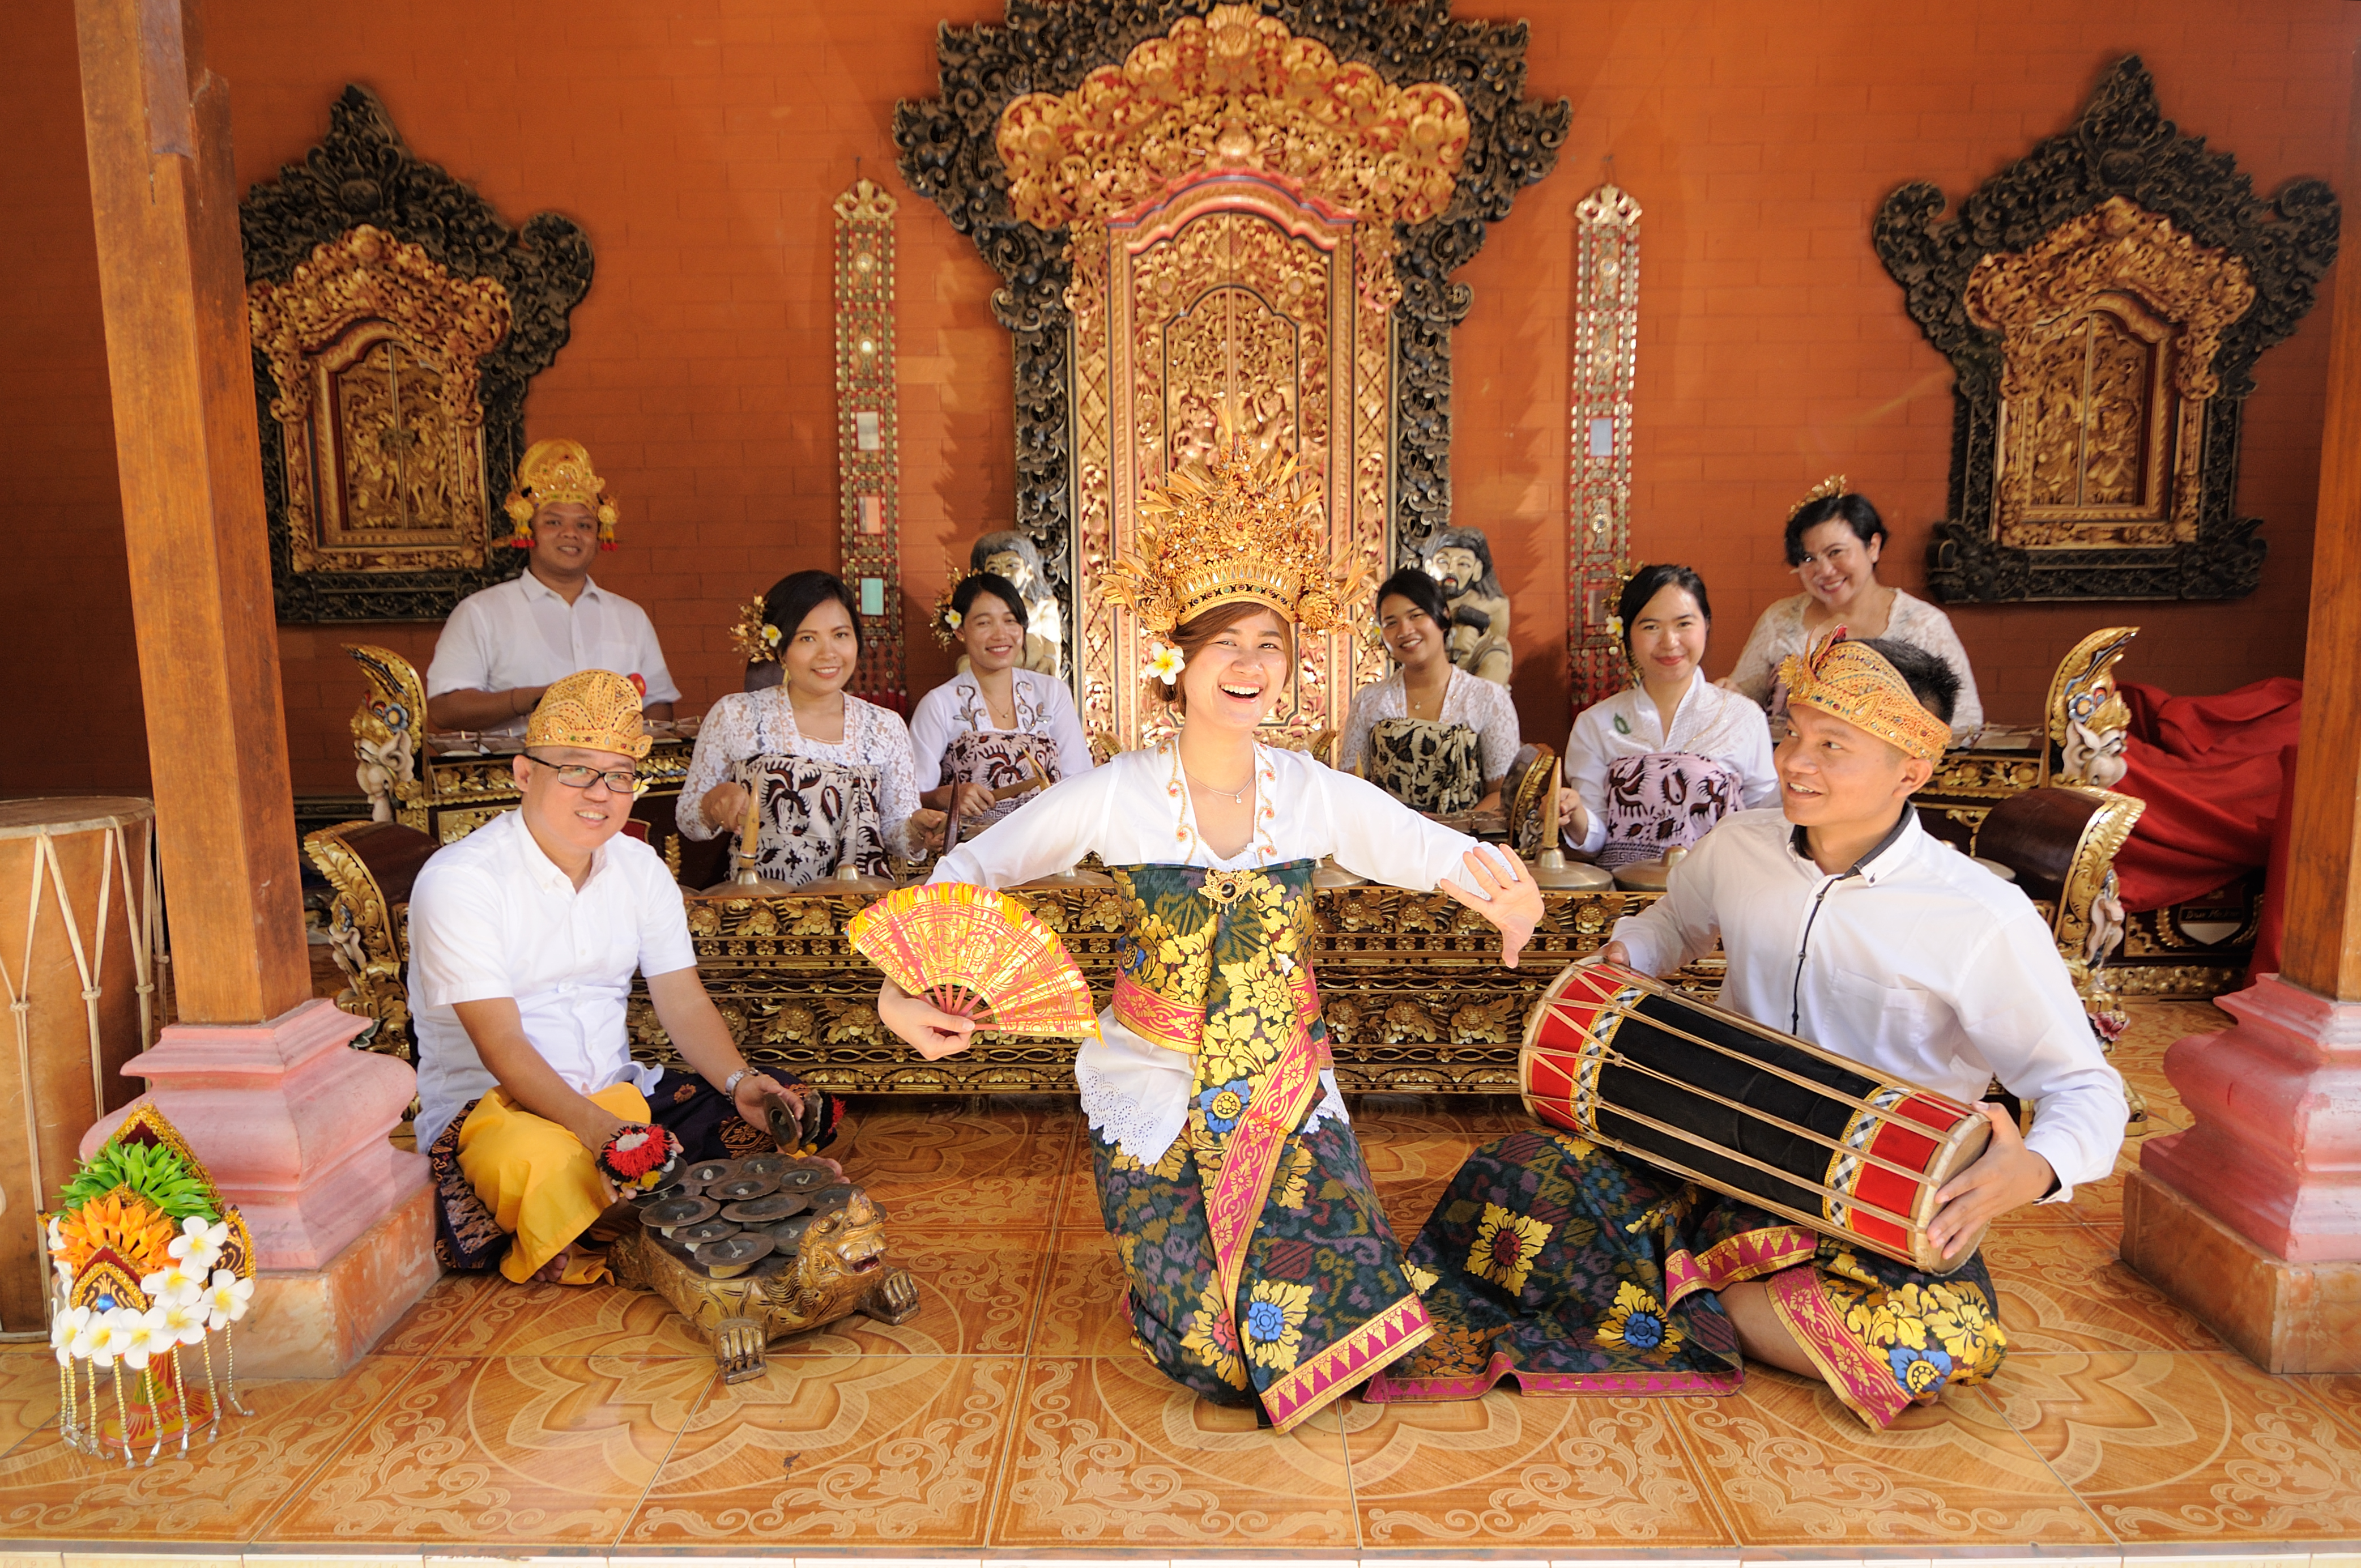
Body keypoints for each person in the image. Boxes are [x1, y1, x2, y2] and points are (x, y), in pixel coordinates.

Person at [875, 440, 1545, 1433]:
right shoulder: (1116, 794)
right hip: (1156, 1080)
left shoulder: (1309, 792)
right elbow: (970, 867)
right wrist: (902, 989)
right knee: (1217, 1355)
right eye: (1224, 642)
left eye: (1268, 643)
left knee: (1324, 1338)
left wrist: (1506, 897)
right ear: (1175, 663)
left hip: (1283, 1088)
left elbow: (1427, 850)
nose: (1248, 664)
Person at [1370, 634, 2126, 1430]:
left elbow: (2082, 1085)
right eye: (1793, 733)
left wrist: (2038, 1168)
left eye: (1834, 745)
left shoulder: (1979, 915)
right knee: (1512, 1174)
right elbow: (1672, 923)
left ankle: (1679, 1287)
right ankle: (1713, 1291)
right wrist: (1633, 955)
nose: (1797, 762)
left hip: (1861, 1201)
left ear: (1913, 770)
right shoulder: (1742, 844)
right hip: (1704, 1153)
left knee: (1937, 1342)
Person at [406, 670, 836, 1285]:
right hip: (499, 1111)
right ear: (525, 773)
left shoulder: (637, 865)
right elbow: (500, 1044)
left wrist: (738, 1080)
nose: (600, 793)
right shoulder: (462, 880)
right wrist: (609, 1135)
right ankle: (674, 1207)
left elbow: (682, 1002)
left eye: (620, 775)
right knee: (539, 1160)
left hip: (617, 1094)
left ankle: (649, 1199)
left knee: (776, 1103)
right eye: (577, 770)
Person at [680, 570, 944, 884]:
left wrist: (918, 828)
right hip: (764, 915)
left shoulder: (885, 726)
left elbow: (895, 834)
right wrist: (714, 803)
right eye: (807, 638)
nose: (828, 653)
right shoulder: (736, 715)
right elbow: (688, 820)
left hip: (860, 910)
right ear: (778, 648)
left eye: (841, 635)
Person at [424, 439, 680, 735]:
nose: (570, 534)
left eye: (584, 525)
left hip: (611, 778)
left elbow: (658, 705)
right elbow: (444, 710)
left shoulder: (629, 616)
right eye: (554, 522)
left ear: (600, 536)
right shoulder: (481, 612)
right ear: (528, 531)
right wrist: (531, 699)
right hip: (516, 776)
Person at [1724, 478, 1983, 741]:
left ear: (1873, 547)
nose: (1824, 571)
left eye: (1836, 552)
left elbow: (1964, 721)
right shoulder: (1780, 619)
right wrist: (1728, 696)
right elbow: (1744, 699)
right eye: (1809, 559)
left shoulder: (1923, 625)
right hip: (1786, 769)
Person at [1559, 564, 1776, 868]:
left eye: (1684, 624)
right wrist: (1573, 815)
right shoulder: (1596, 724)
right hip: (1628, 899)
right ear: (1627, 634)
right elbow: (1596, 840)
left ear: (1706, 625)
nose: (1669, 642)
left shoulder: (1743, 717)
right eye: (1651, 627)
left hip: (1715, 898)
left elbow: (1765, 817)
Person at [910, 572, 1094, 838]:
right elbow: (911, 797)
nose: (1001, 634)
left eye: (1010, 621)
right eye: (984, 623)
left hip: (1048, 848)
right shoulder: (939, 704)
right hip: (971, 857)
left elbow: (1080, 782)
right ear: (960, 630)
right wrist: (946, 796)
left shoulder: (1052, 693)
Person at [1339, 567, 1520, 815]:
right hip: (1387, 843)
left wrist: (1441, 831)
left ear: (1442, 616)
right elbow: (1352, 788)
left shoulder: (1487, 698)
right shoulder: (1370, 700)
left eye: (1416, 616)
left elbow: (1503, 795)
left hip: (1463, 843)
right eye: (1391, 623)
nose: (1405, 631)